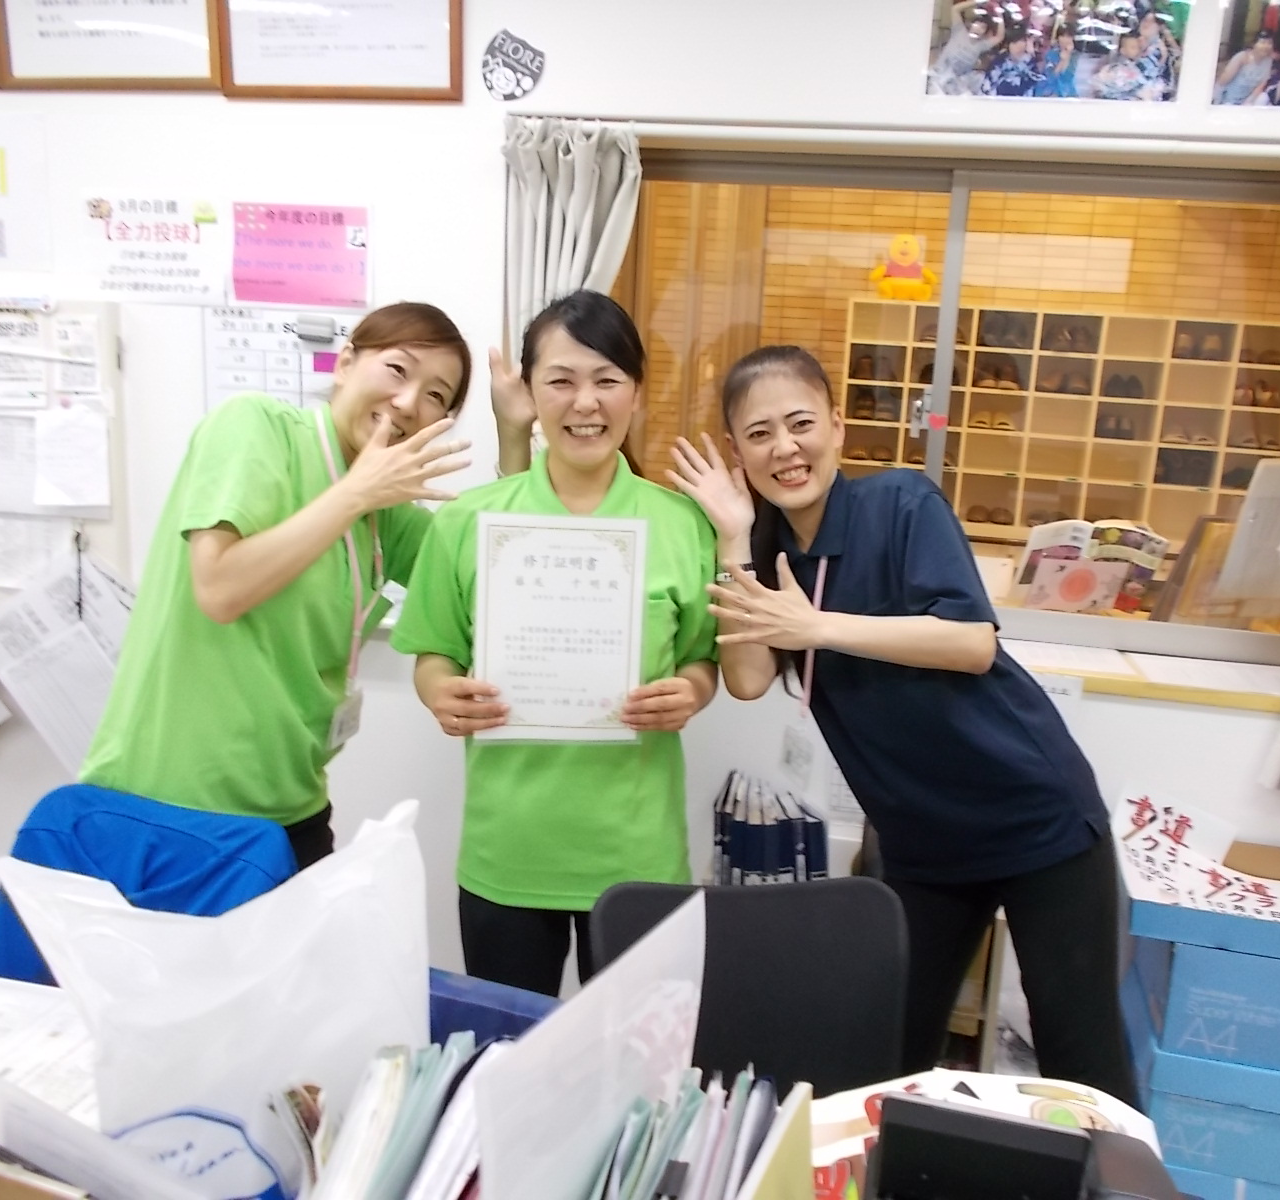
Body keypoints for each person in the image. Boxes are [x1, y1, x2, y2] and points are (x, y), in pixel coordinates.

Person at [667, 346, 1136, 1105]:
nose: (785, 448)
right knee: (886, 1057)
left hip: (1033, 820)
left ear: (838, 425)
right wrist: (731, 537)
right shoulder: (768, 550)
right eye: (759, 434)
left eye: (800, 424)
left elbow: (972, 642)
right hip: (920, 844)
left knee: (1082, 1062)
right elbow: (748, 681)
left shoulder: (900, 504)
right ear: (736, 452)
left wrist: (818, 626)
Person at [392, 291, 719, 997]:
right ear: (529, 395)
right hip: (508, 855)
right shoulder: (471, 522)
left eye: (607, 380)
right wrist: (440, 692)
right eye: (561, 380)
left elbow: (702, 659)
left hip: (637, 858)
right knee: (510, 1051)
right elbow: (434, 653)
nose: (585, 403)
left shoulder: (682, 524)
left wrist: (690, 691)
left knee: (633, 1055)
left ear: (636, 392)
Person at [80, 303, 473, 870]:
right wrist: (356, 495)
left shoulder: (387, 513)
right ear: (345, 363)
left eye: (436, 395)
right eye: (397, 369)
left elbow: (483, 581)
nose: (409, 403)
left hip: (295, 808)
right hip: (173, 806)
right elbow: (219, 589)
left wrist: (515, 437)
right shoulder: (256, 427)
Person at [928, 2, 1000, 94]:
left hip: (956, 83)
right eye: (977, 25)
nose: (978, 28)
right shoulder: (959, 30)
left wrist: (999, 13)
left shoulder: (981, 45)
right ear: (971, 25)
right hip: (938, 77)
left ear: (985, 32)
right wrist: (977, 1)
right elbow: (955, 9)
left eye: (983, 27)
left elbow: (999, 37)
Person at [1215, 30, 1277, 105]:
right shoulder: (1242, 57)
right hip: (1229, 101)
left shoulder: (1268, 61)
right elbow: (1223, 81)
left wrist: (1248, 102)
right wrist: (1215, 101)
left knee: (1264, 97)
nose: (1266, 46)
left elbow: (1261, 84)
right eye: (1262, 42)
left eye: (1269, 43)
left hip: (1247, 102)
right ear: (1254, 44)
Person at [982, 27, 1046, 96]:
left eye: (1022, 41)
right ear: (1008, 45)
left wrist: (1032, 54)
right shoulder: (999, 61)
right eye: (1014, 42)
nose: (1018, 45)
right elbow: (987, 85)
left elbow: (1040, 80)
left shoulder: (1031, 61)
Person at [1039, 25, 1079, 97]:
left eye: (1068, 37)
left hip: (1069, 92)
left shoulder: (1075, 56)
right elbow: (1051, 77)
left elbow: (1068, 77)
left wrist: (1067, 55)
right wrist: (1062, 61)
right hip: (1052, 91)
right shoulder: (1051, 54)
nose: (1065, 40)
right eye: (1062, 36)